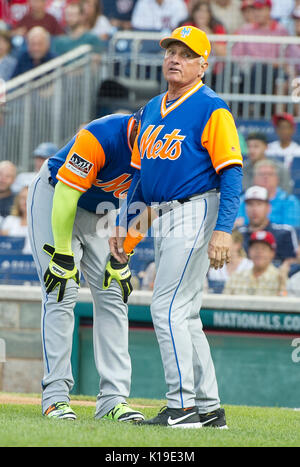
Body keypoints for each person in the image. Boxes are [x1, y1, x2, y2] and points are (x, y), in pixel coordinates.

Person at [107, 26, 244, 428]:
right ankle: (208, 407)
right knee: (185, 314)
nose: (175, 58)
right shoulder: (151, 108)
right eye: (171, 51)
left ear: (204, 64)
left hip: (197, 207)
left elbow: (231, 174)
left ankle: (181, 407)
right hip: (163, 213)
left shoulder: (211, 107)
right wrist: (128, 228)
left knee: (165, 307)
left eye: (186, 53)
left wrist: (223, 230)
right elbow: (139, 179)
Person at [27, 111, 145, 421]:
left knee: (115, 294)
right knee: (60, 290)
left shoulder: (161, 149)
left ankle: (113, 400)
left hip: (103, 213)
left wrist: (126, 255)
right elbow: (67, 193)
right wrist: (63, 254)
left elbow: (147, 204)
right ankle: (55, 398)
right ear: (135, 128)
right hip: (55, 197)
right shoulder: (102, 134)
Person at [232, 0, 289, 96]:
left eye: (260, 9)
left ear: (269, 10)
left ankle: (255, 107)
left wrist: (266, 62)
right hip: (249, 72)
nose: (257, 13)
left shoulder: (280, 30)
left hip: (273, 72)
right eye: (255, 10)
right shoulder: (246, 29)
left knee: (265, 71)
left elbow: (286, 59)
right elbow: (236, 55)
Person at [237, 185, 299, 265]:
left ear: (268, 208)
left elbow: (295, 262)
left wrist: (287, 265)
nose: (254, 209)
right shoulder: (238, 234)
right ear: (245, 208)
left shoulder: (285, 233)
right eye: (250, 204)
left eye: (259, 204)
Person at [237, 159, 300, 227]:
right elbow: (237, 226)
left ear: (277, 179)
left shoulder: (289, 201)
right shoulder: (242, 200)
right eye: (261, 174)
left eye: (270, 174)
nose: (266, 177)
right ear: (254, 178)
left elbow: (292, 230)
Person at [223, 230, 287, 296]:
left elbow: (285, 302)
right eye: (255, 248)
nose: (259, 252)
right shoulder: (236, 277)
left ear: (272, 253)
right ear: (249, 251)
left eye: (263, 248)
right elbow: (223, 303)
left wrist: (283, 285)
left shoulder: (280, 278)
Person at [0, 185, 31, 254]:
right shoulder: (10, 220)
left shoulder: (41, 224)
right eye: (23, 198)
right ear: (18, 200)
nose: (25, 201)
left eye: (29, 197)